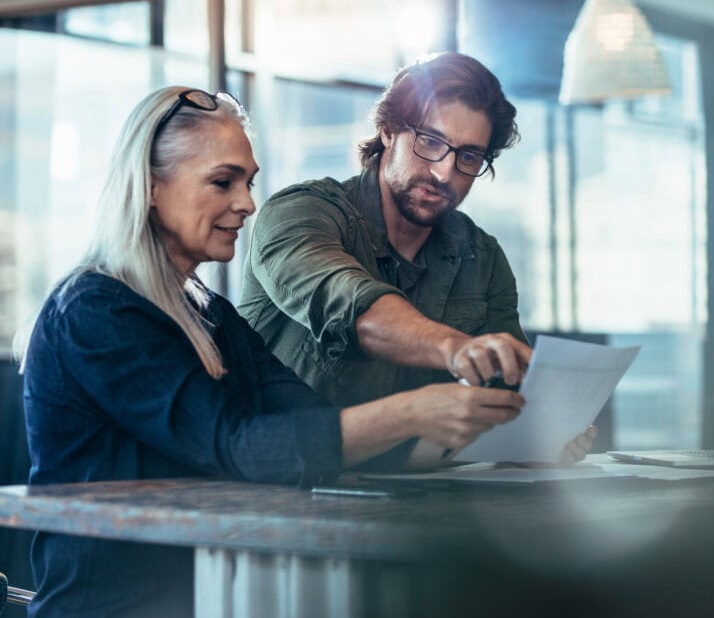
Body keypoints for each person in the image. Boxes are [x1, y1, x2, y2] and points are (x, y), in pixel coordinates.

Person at [17, 86, 527, 617]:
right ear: (149, 187)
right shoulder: (96, 310)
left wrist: (471, 425)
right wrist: (414, 411)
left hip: (214, 600)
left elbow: (314, 422)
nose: (247, 203)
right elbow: (239, 448)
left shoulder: (210, 313)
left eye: (248, 182)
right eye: (222, 182)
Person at [239, 52, 597, 467]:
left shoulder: (482, 257)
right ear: (388, 130)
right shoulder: (301, 213)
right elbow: (350, 306)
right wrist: (454, 347)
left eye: (468, 157)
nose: (446, 172)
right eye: (430, 142)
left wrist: (538, 436)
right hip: (283, 490)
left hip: (417, 493)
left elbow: (505, 391)